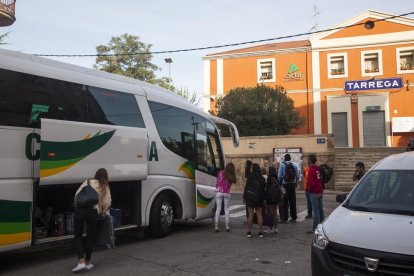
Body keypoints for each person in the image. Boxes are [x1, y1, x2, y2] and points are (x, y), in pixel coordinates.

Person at [72, 168, 112, 272]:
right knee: (90, 236)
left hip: (80, 210)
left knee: (78, 235)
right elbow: (107, 202)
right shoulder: (104, 186)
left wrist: (77, 206)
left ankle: (81, 262)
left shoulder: (87, 181)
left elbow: (77, 195)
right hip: (93, 212)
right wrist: (102, 211)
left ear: (96, 175)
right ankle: (87, 263)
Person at [244, 163, 266, 238]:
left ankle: (249, 232)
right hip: (259, 198)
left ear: (254, 169)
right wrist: (263, 199)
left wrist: (245, 197)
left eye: (251, 168)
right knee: (259, 214)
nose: (250, 169)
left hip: (250, 198)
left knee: (250, 215)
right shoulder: (262, 178)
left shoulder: (250, 177)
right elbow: (263, 190)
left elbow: (246, 188)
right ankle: (260, 232)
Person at [278, 154, 300, 223]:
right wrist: (296, 182)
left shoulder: (282, 165)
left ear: (285, 159)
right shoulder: (294, 165)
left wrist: (280, 183)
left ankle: (285, 218)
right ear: (290, 159)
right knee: (292, 201)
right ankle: (294, 217)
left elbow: (279, 176)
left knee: (285, 202)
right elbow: (297, 175)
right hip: (292, 185)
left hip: (285, 185)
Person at [214, 162, 236, 232]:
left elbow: (217, 182)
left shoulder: (220, 172)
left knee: (218, 209)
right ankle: (227, 227)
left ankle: (216, 226)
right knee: (226, 209)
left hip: (219, 192)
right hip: (226, 193)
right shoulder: (231, 175)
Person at [306, 154, 324, 234]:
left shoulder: (311, 170)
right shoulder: (318, 169)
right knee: (320, 210)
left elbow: (311, 183)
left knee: (315, 211)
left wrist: (309, 190)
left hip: (314, 192)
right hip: (320, 191)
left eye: (308, 160)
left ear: (310, 160)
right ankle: (322, 226)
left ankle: (315, 228)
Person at [265, 166, 281, 234]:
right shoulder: (276, 178)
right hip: (276, 197)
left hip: (270, 197)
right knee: (275, 212)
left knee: (270, 213)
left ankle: (270, 228)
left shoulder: (269, 178)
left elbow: (267, 188)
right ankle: (276, 228)